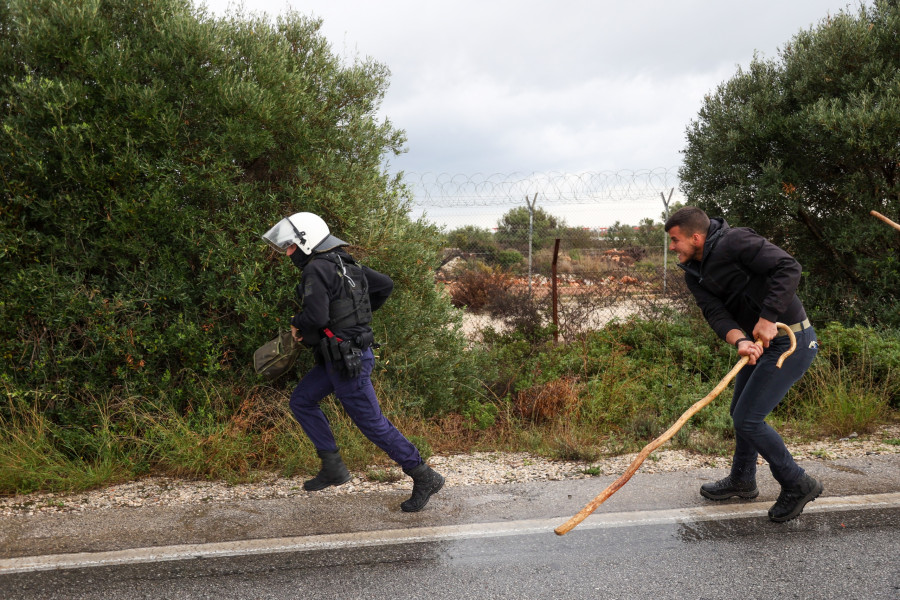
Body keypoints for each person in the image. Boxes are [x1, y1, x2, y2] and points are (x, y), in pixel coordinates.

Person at [261, 212, 444, 512]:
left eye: (291, 246)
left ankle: (424, 475)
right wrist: (354, 316)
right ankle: (333, 467)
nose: (288, 252)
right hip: (340, 357)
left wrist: (297, 323)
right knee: (302, 400)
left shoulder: (316, 269)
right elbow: (384, 285)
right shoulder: (344, 262)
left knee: (373, 424)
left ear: (307, 242)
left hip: (349, 362)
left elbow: (316, 318)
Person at [664, 206, 823, 522]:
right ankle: (742, 479)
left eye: (674, 239)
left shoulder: (735, 242)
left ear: (696, 236)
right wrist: (740, 341)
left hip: (791, 341)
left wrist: (767, 318)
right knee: (740, 413)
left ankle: (796, 482)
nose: (671, 247)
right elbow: (715, 312)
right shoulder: (693, 271)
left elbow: (789, 267)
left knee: (749, 419)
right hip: (758, 344)